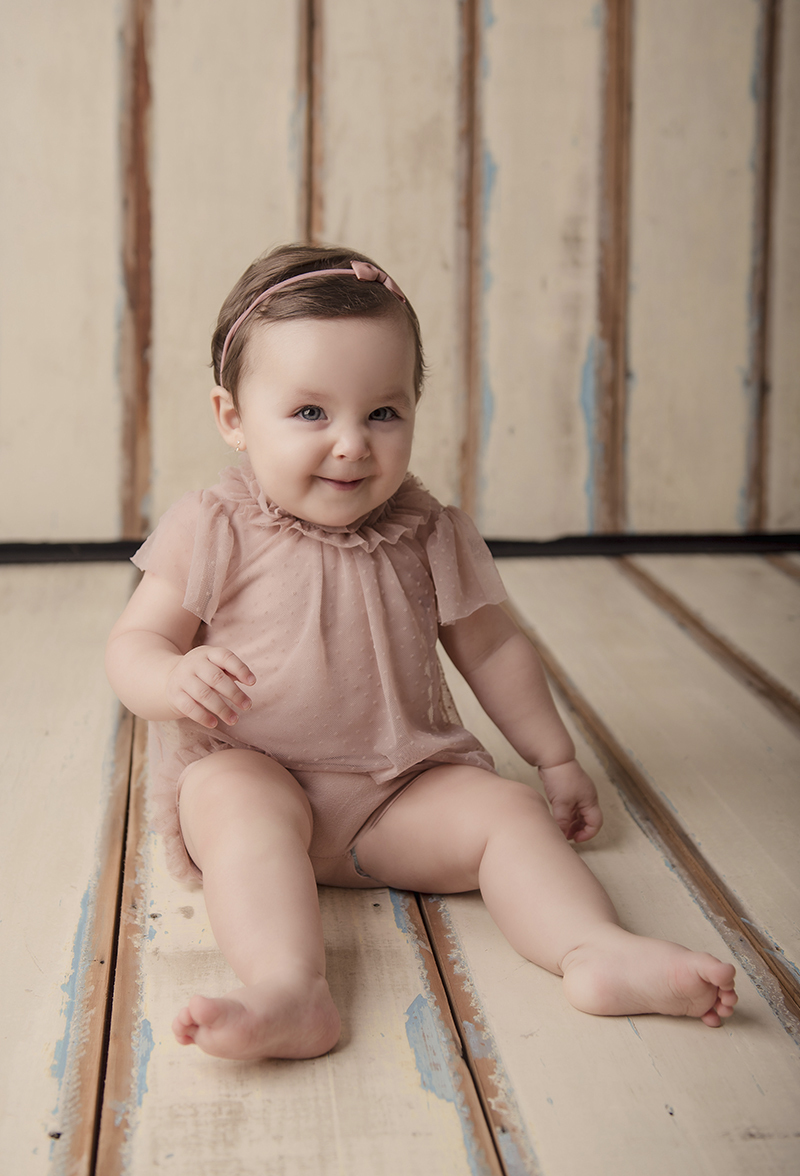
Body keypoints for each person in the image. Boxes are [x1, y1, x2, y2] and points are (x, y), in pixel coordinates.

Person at [105, 243, 737, 1061]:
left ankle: (592, 947)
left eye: (383, 412)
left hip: (399, 794)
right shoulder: (214, 527)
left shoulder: (427, 531)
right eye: (309, 414)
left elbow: (495, 647)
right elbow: (135, 645)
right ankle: (289, 988)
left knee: (505, 814)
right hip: (260, 768)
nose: (351, 444)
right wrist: (172, 675)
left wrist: (551, 758)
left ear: (413, 409)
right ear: (232, 417)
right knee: (231, 801)